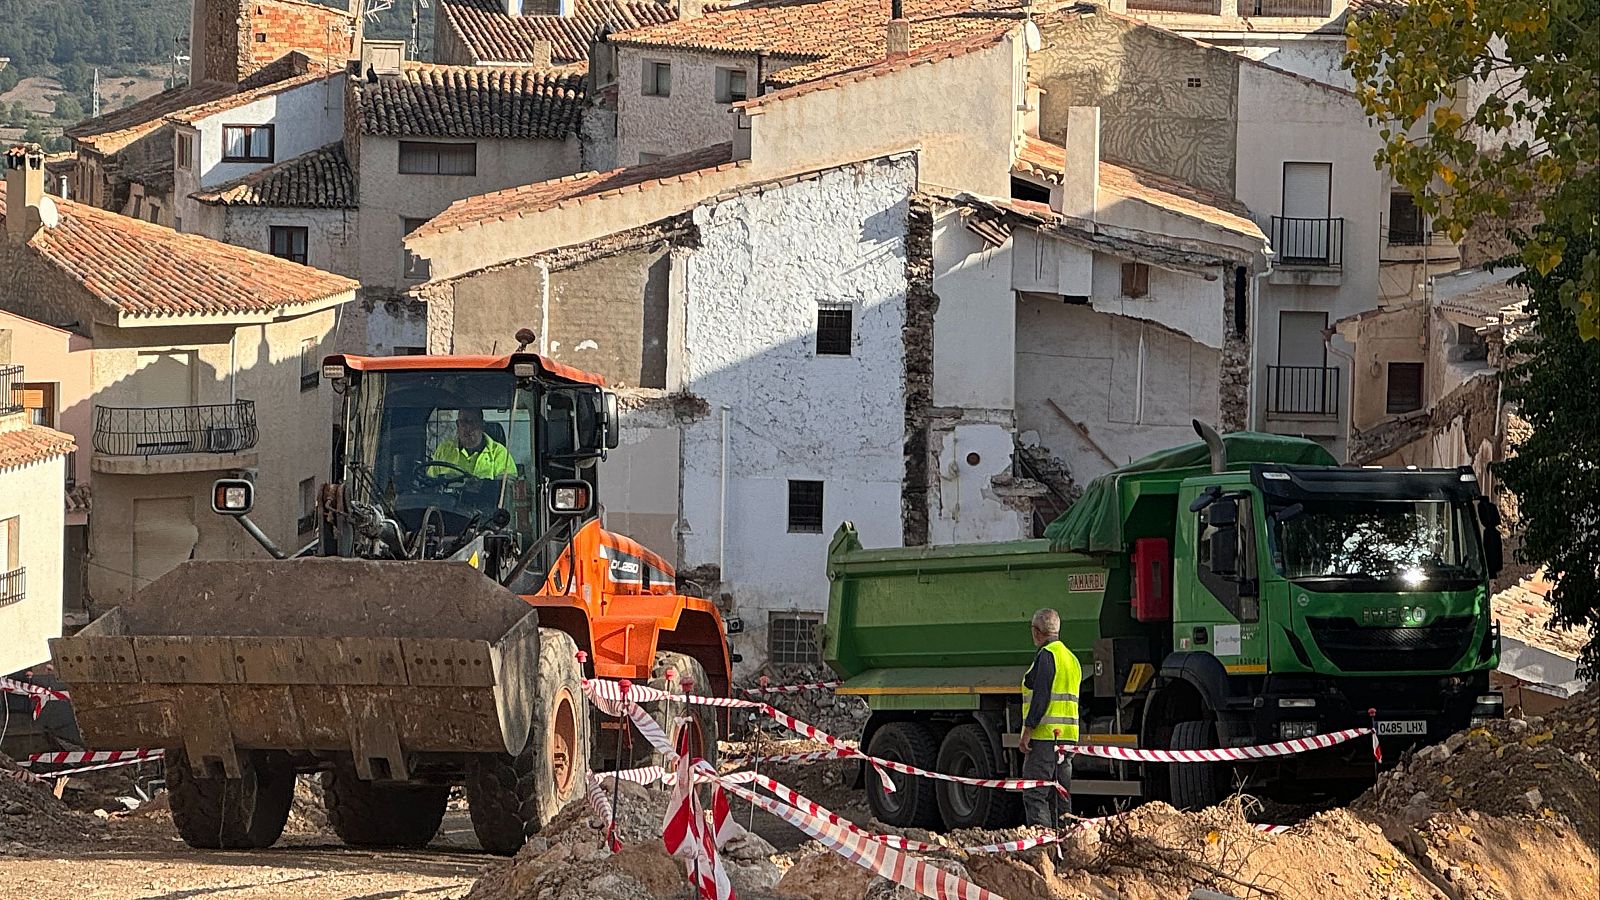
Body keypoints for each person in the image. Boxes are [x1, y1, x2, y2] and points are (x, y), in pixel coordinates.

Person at [1019, 607, 1082, 828]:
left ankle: (1042, 848)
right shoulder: (1072, 659)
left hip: (1046, 738)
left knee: (1035, 794)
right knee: (1060, 796)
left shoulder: (1046, 656)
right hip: (1068, 739)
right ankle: (1065, 846)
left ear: (1036, 632)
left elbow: (1041, 696)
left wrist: (1028, 730)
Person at [429, 408, 517, 480]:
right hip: (448, 500)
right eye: (463, 422)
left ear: (482, 425)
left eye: (472, 422)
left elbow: (509, 488)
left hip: (487, 501)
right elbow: (430, 482)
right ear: (457, 425)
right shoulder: (444, 450)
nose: (467, 428)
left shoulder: (500, 454)